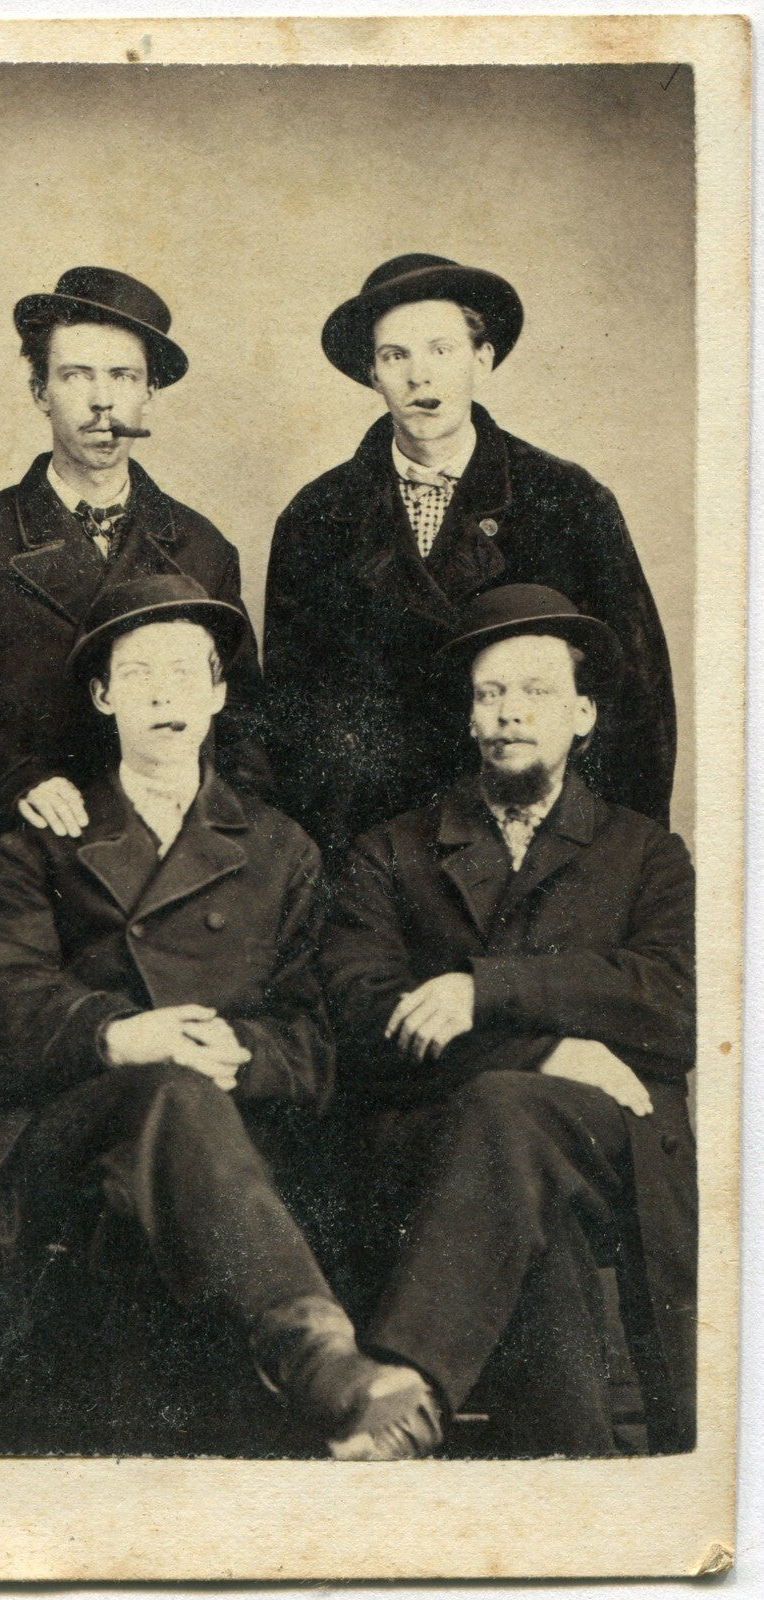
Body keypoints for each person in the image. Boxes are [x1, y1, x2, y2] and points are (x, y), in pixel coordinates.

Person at [0, 575, 438, 1460]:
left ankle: (325, 1384)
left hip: (232, 1141)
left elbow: (316, 1037)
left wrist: (242, 1051)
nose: (164, 694)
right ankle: (321, 1361)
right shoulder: (44, 833)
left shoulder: (280, 848)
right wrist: (116, 1033)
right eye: (139, 674)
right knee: (166, 1090)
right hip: (60, 1137)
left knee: (195, 1095)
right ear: (104, 698)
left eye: (186, 673)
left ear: (221, 693)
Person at [320, 585, 696, 1457]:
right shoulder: (392, 848)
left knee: (504, 1114)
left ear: (584, 713)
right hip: (436, 1143)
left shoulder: (646, 853)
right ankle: (580, 1483)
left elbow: (676, 1002)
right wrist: (548, 1046)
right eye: (490, 695)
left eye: (533, 691)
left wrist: (486, 993)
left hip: (615, 1142)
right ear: (469, 718)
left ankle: (404, 1395)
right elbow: (358, 1012)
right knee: (519, 1170)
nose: (510, 713)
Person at [0, 266, 267, 924]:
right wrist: (12, 783)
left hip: (174, 882)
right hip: (29, 879)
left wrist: (219, 848)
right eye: (76, 376)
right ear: (40, 391)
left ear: (150, 393)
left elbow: (247, 722)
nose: (102, 404)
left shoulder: (202, 549)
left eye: (123, 377)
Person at [264, 253, 675, 866]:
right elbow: (289, 715)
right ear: (371, 375)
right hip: (374, 850)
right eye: (394, 356)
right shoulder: (315, 517)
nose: (418, 377)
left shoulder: (567, 499)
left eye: (441, 350)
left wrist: (617, 866)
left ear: (482, 359)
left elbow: (636, 702)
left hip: (531, 840)